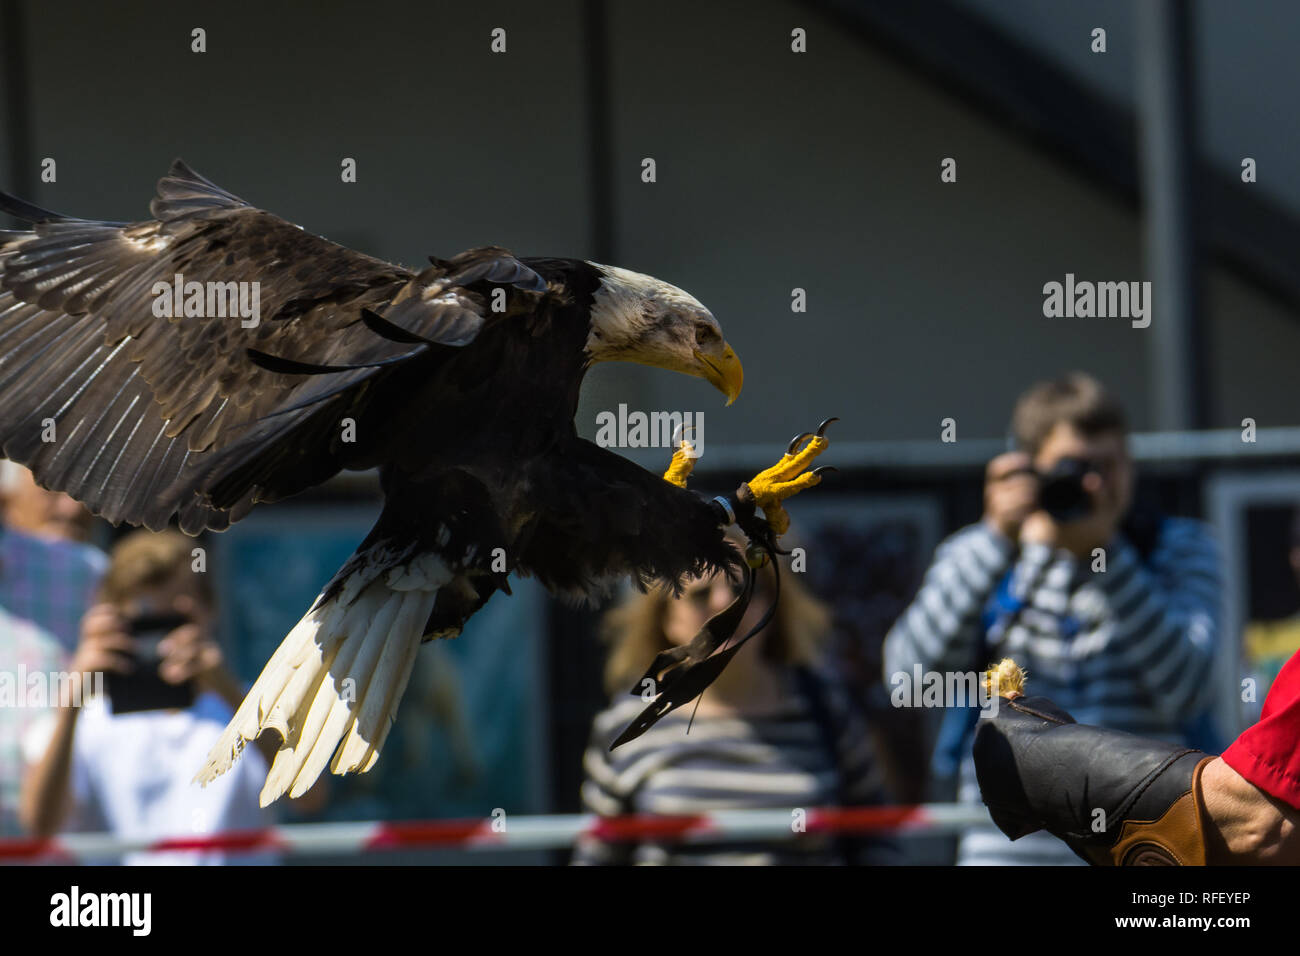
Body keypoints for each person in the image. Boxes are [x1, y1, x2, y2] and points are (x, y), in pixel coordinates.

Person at [883, 372, 1223, 865]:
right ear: (1027, 471)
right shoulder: (980, 554)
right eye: (1075, 467)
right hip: (1003, 855)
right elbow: (904, 682)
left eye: (1111, 466)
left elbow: (1192, 688)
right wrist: (1000, 539)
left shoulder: (1180, 549)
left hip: (1144, 852)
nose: (1095, 486)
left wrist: (1110, 557)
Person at [574, 534, 897, 865]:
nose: (726, 604)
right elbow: (597, 857)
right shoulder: (628, 723)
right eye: (701, 595)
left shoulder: (825, 705)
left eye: (746, 589)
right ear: (666, 618)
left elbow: (877, 836)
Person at [19, 529, 279, 864]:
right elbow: (40, 826)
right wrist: (73, 701)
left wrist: (225, 689)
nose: (161, 644)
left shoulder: (247, 706)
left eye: (174, 621)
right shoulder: (86, 718)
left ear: (208, 609)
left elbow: (311, 797)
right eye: (147, 624)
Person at [974, 655, 1300, 865]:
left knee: (1267, 825)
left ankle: (1244, 813)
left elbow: (1193, 685)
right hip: (1007, 857)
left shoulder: (1168, 549)